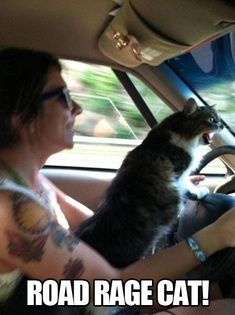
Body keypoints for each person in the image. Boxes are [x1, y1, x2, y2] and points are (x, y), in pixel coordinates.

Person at [0, 47, 234, 315]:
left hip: (74, 301)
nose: (77, 108)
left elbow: (100, 231)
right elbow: (112, 288)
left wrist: (170, 187)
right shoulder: (11, 207)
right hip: (92, 297)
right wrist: (216, 236)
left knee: (204, 295)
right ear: (22, 116)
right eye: (62, 97)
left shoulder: (32, 181)